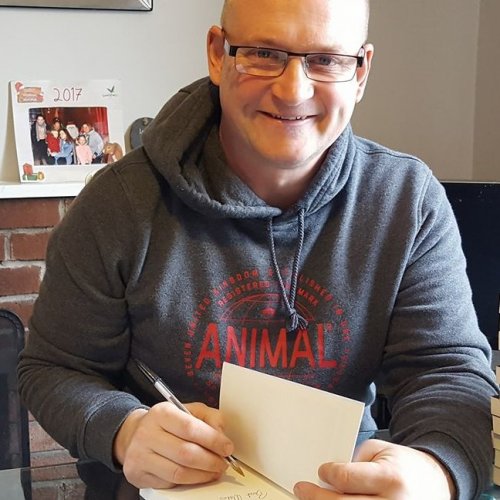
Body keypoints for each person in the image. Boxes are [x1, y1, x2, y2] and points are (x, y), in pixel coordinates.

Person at [18, 1, 498, 499]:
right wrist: (124, 430)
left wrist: (435, 474)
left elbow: (446, 372)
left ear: (361, 71)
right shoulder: (118, 203)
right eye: (264, 53)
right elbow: (53, 369)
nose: (293, 90)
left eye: (326, 59)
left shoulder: (407, 200)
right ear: (217, 54)